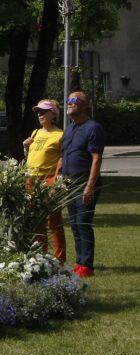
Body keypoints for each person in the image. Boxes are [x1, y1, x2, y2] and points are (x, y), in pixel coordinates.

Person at [55, 91, 105, 277]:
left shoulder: (93, 128)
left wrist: (90, 186)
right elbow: (63, 156)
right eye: (68, 101)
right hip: (68, 184)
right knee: (75, 225)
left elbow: (96, 158)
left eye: (73, 101)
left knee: (83, 223)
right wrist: (58, 175)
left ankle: (87, 265)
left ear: (84, 105)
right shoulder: (69, 129)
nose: (69, 104)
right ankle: (79, 262)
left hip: (84, 183)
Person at [23, 99, 65, 261]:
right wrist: (26, 147)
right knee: (36, 220)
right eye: (37, 112)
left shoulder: (60, 135)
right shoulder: (35, 133)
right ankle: (41, 258)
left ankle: (59, 259)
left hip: (49, 179)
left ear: (53, 114)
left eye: (43, 111)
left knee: (53, 221)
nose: (39, 114)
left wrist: (56, 180)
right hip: (31, 179)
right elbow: (31, 157)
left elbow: (62, 158)